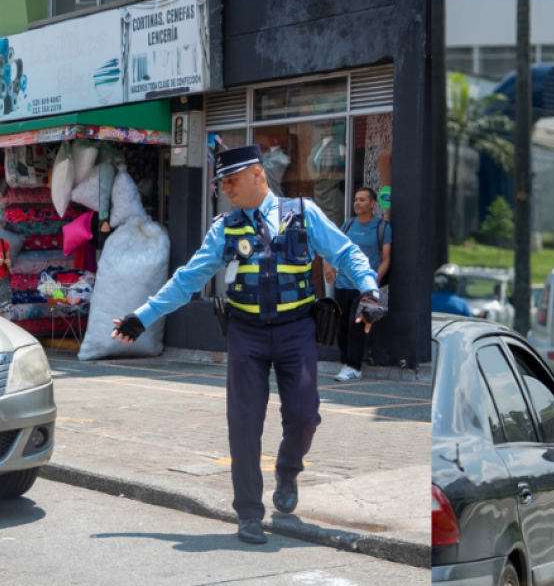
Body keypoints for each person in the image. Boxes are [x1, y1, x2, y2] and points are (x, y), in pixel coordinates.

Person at [110, 145, 385, 545]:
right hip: (246, 334)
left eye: (231, 181)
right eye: (221, 183)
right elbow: (188, 279)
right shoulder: (225, 228)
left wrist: (370, 292)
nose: (225, 190)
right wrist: (143, 316)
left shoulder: (304, 213)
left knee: (305, 416)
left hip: (297, 331)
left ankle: (288, 471)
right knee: (243, 426)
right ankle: (249, 514)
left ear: (257, 174)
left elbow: (346, 253)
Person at [326, 187, 392, 382]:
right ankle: (346, 362)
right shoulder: (347, 225)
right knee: (341, 325)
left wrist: (373, 282)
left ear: (373, 204)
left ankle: (354, 366)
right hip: (343, 284)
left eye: (362, 200)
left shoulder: (382, 228)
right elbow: (333, 248)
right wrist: (328, 265)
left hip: (363, 287)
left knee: (355, 325)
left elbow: (386, 258)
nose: (357, 203)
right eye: (356, 199)